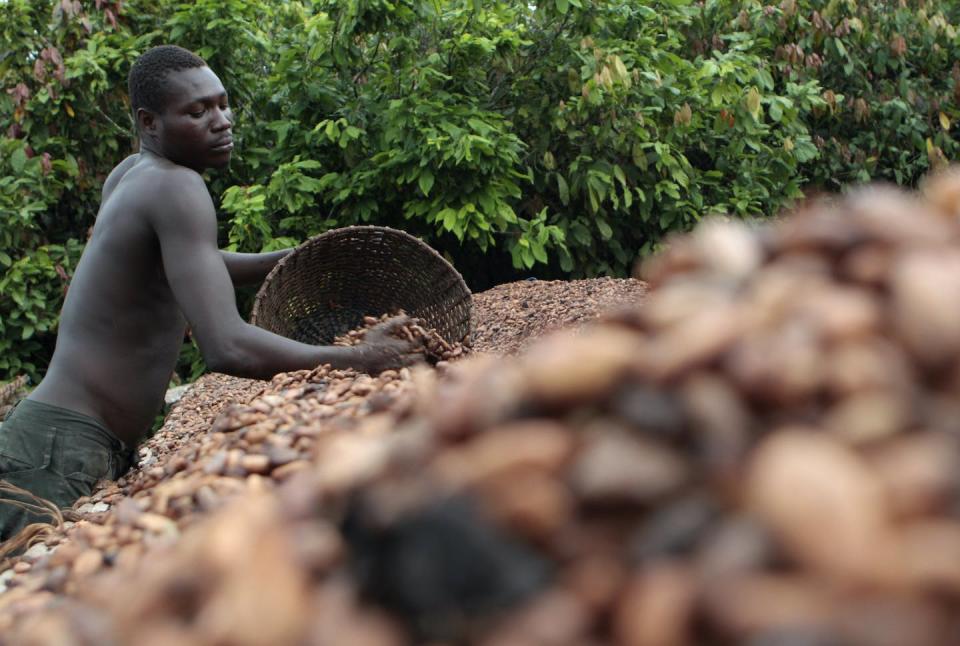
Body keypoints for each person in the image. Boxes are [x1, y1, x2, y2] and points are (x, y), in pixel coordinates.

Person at [0, 45, 423, 541]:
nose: (220, 121)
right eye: (197, 111)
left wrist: (296, 258)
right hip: (56, 451)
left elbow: (191, 265)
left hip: (57, 438)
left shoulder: (133, 174)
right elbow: (227, 346)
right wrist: (365, 359)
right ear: (149, 122)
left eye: (223, 104)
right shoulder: (177, 188)